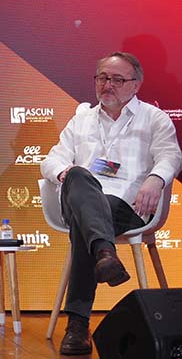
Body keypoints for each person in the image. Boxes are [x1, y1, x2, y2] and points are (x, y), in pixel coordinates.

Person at [41, 52, 181, 356]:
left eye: (118, 79)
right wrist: (63, 172)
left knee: (84, 228)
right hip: (82, 199)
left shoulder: (153, 119)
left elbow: (171, 155)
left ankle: (77, 327)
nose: (108, 85)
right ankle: (104, 252)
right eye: (103, 77)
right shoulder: (81, 120)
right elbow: (52, 159)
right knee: (77, 174)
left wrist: (156, 179)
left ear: (136, 84)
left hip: (129, 208)